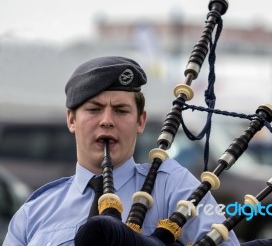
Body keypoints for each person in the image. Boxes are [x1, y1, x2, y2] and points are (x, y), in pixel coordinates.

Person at [3, 56, 241, 245]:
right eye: (94, 109)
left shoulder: (173, 188)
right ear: (71, 119)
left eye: (121, 110)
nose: (107, 121)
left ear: (141, 121)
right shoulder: (35, 210)